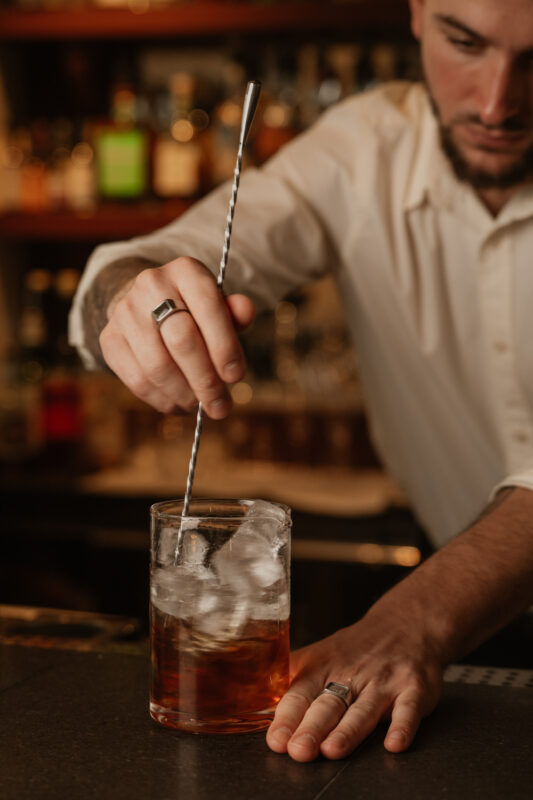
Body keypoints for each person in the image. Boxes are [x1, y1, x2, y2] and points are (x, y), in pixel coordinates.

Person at [70, 0, 533, 762]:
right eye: (464, 42)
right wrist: (131, 296)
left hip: (428, 613)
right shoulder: (361, 147)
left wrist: (413, 619)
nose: (495, 103)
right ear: (417, 12)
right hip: (456, 630)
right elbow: (155, 255)